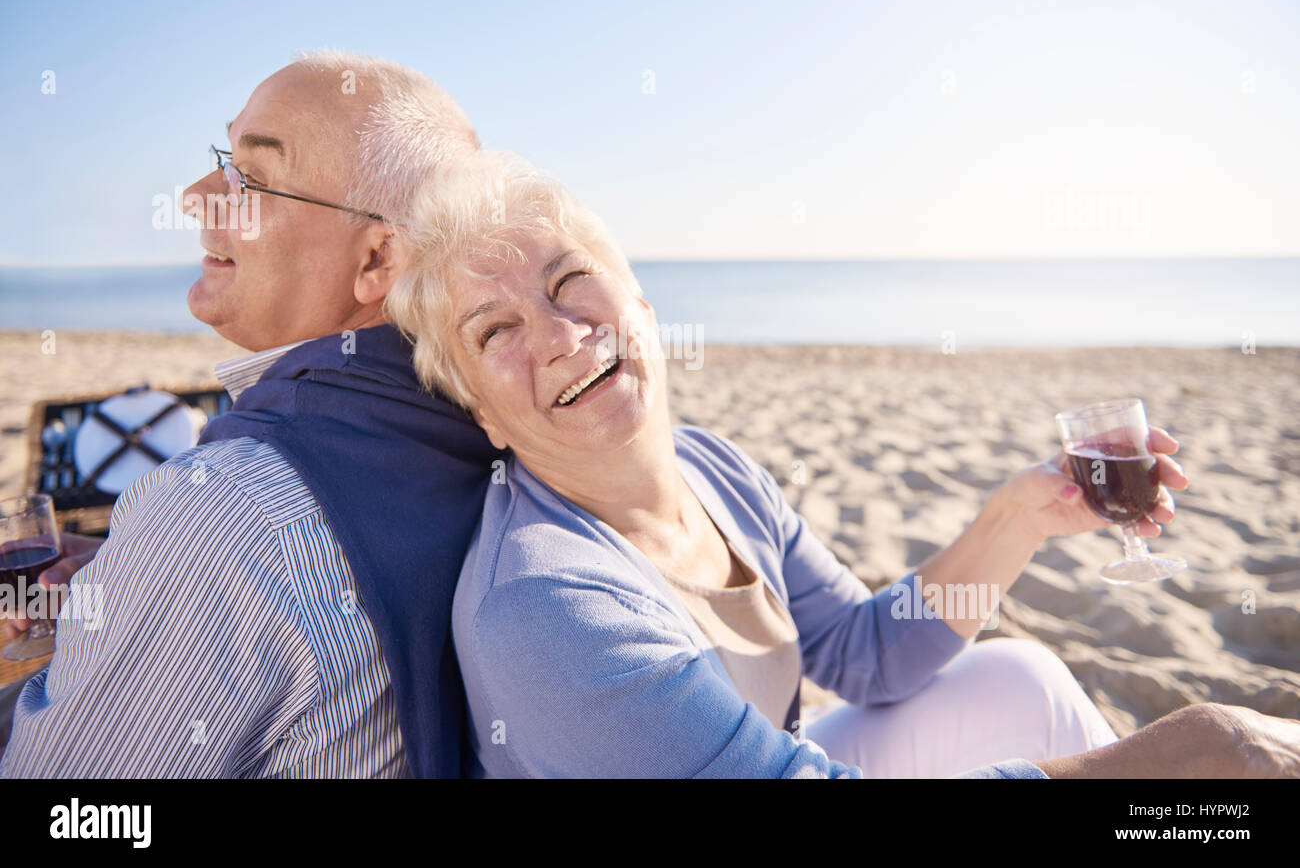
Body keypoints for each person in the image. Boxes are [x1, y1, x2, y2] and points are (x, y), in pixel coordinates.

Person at [387, 152, 1300, 778]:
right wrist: (1167, 762)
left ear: (643, 302)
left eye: (567, 280)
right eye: (495, 329)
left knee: (1016, 676)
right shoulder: (544, 601)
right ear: (481, 413)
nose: (557, 335)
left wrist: (1020, 514)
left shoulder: (714, 469)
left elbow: (867, 651)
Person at [0, 52, 501, 777]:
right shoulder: (469, 430)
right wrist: (136, 583)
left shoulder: (228, 512)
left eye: (253, 179)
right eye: (221, 159)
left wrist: (168, 568)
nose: (198, 195)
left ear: (378, 258)